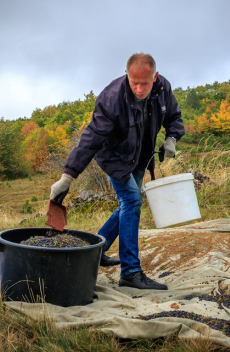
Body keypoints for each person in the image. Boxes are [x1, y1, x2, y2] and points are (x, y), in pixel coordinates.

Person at [50, 53, 185, 290]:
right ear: (127, 75)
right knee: (131, 201)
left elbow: (173, 116)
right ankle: (131, 272)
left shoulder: (163, 88)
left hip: (141, 156)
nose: (139, 88)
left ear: (155, 76)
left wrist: (172, 138)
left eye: (145, 83)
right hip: (113, 158)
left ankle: (95, 250)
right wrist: (67, 176)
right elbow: (90, 139)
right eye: (134, 82)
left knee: (126, 204)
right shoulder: (112, 98)